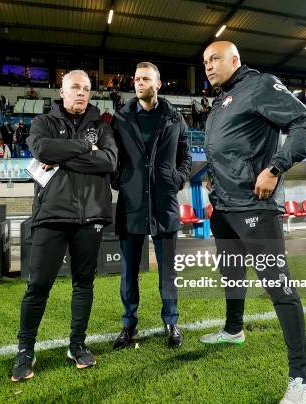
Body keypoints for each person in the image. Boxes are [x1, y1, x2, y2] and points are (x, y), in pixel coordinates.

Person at [201, 41, 306, 404]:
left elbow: (305, 124)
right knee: (231, 273)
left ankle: (302, 378)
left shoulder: (260, 84)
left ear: (235, 58)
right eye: (204, 61)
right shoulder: (222, 99)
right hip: (223, 207)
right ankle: (234, 330)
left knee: (278, 287)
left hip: (255, 206)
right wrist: (214, 182)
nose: (208, 65)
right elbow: (231, 149)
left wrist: (274, 168)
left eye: (215, 58)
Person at [11, 70, 117, 382]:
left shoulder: (102, 126)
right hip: (52, 215)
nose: (81, 93)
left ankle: (77, 344)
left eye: (86, 89)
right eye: (75, 88)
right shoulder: (43, 123)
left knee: (83, 284)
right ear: (62, 92)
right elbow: (42, 151)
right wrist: (86, 149)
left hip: (92, 216)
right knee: (38, 286)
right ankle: (25, 350)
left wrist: (64, 153)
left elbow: (109, 162)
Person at [111, 62, 191, 350]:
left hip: (163, 205)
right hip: (131, 205)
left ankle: (171, 321)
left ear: (158, 84)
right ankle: (128, 325)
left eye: (145, 78)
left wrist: (177, 179)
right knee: (128, 273)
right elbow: (112, 157)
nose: (139, 82)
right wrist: (120, 179)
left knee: (168, 272)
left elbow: (186, 155)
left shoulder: (174, 118)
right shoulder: (120, 119)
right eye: (136, 79)